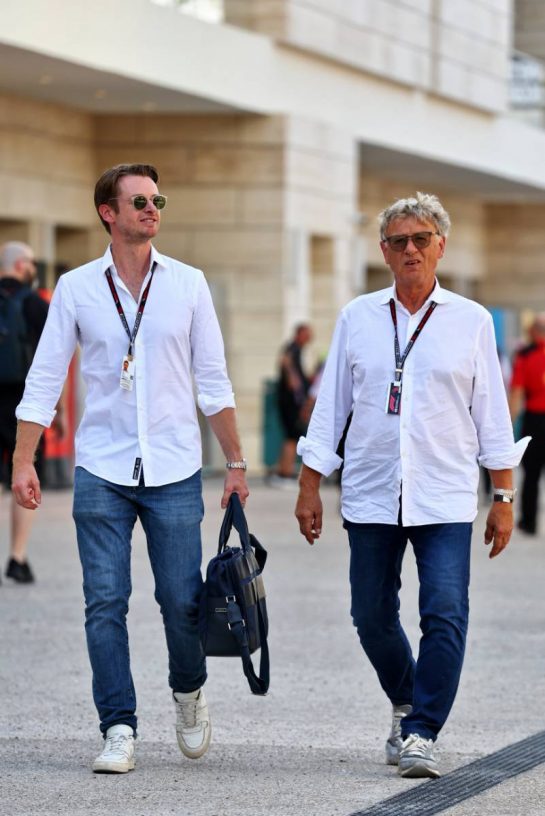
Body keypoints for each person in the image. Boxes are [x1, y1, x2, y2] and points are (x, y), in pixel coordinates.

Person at [12, 163, 249, 774]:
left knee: (180, 602)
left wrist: (237, 463)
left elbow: (214, 382)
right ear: (107, 213)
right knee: (104, 602)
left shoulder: (189, 284)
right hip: (102, 467)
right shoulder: (76, 288)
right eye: (138, 201)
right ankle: (118, 725)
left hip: (173, 467)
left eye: (156, 199)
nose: (151, 209)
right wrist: (23, 459)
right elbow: (43, 379)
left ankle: (188, 691)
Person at [294, 192, 529, 779]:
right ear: (384, 251)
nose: (410, 250)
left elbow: (492, 415)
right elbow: (331, 410)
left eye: (421, 239)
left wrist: (502, 498)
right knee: (369, 614)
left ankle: (422, 731)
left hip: (445, 493)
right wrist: (308, 484)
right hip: (372, 490)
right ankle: (407, 700)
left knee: (445, 612)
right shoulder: (357, 317)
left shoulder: (471, 321)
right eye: (398, 241)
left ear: (440, 246)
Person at [0, 241, 64, 584]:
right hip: (22, 403)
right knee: (23, 476)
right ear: (22, 265)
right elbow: (54, 364)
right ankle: (17, 556)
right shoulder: (36, 305)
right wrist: (60, 411)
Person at [508, 313, 545, 534]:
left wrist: (508, 425)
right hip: (535, 417)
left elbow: (517, 394)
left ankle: (529, 522)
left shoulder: (525, 355)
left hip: (535, 421)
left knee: (531, 474)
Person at [272, 323, 313, 485]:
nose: (310, 338)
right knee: (292, 436)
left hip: (289, 400)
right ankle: (285, 473)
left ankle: (284, 470)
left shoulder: (296, 350)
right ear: (299, 334)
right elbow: (286, 364)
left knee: (290, 436)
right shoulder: (293, 349)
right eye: (307, 334)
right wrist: (295, 382)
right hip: (290, 401)